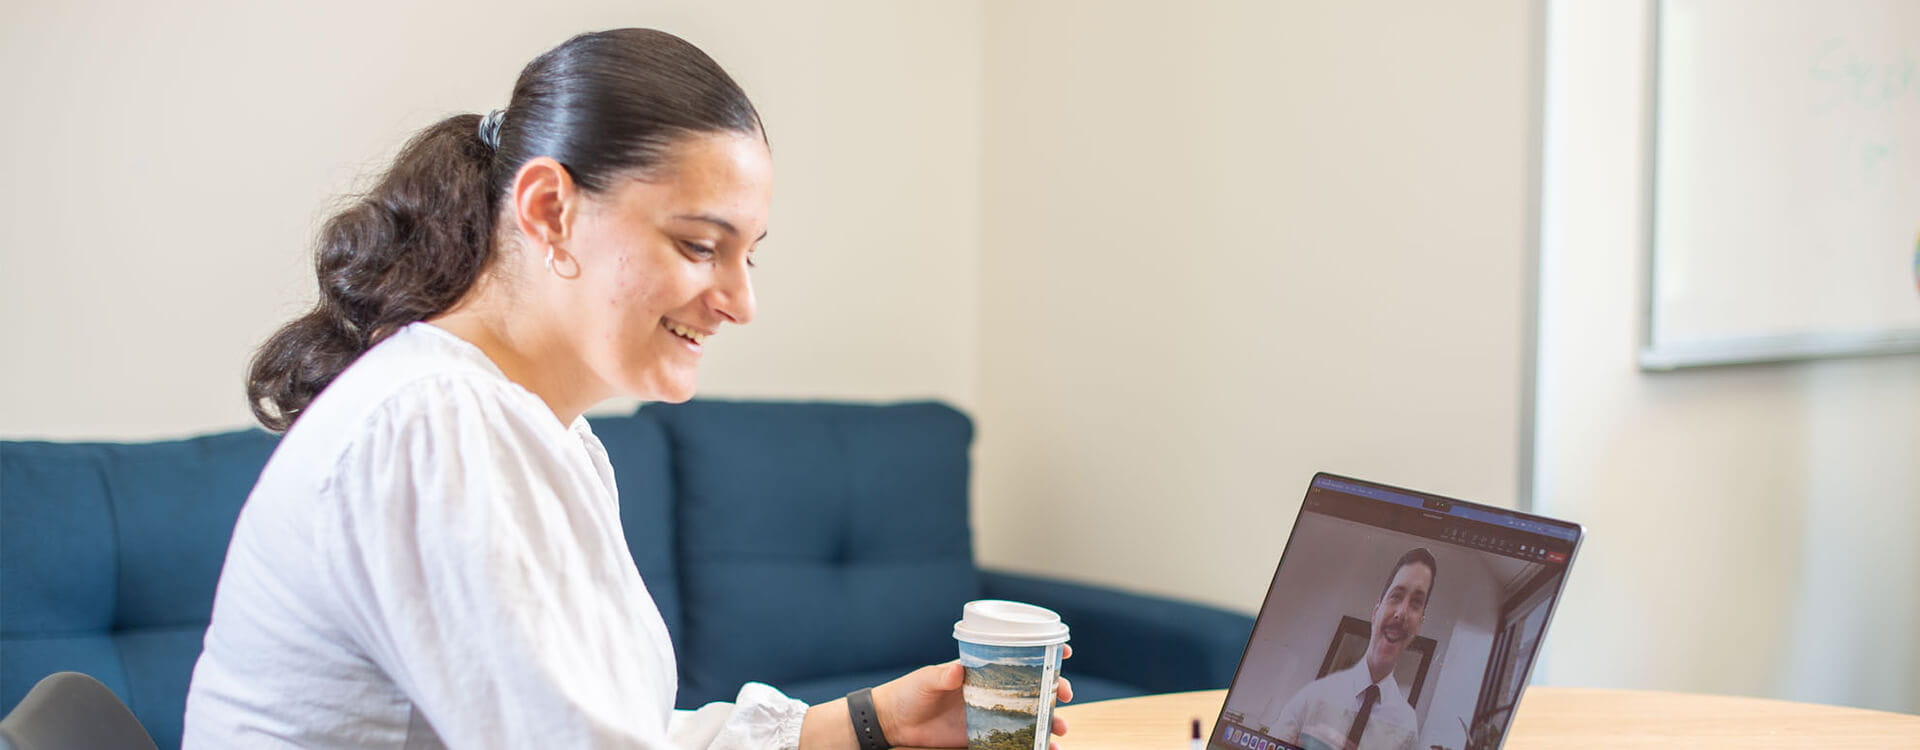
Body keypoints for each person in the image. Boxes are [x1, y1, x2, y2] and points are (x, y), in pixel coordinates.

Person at [182, 28, 1071, 750]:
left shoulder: (528, 428)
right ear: (547, 210)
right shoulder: (442, 426)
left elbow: (616, 732)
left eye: (748, 254)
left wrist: (869, 727)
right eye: (698, 245)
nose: (740, 301)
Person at [1269, 549, 1436, 750]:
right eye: (1396, 596)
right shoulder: (1313, 696)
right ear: (1376, 612)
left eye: (1416, 603)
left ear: (1419, 625)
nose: (1402, 613)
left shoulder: (1407, 727)